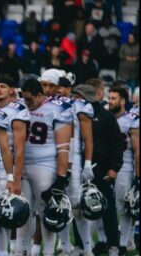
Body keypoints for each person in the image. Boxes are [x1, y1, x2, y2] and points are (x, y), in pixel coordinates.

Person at [15, 78, 73, 256]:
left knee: (47, 212)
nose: (27, 103)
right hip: (23, 165)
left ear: (40, 95)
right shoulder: (20, 106)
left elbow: (64, 148)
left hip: (45, 166)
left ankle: (47, 252)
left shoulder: (57, 108)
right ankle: (20, 251)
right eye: (24, 99)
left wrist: (62, 176)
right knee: (22, 211)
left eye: (30, 99)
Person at [72, 84, 124, 256]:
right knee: (78, 205)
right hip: (78, 166)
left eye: (78, 96)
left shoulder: (106, 116)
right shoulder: (72, 114)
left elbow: (118, 144)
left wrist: (114, 168)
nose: (75, 99)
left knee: (106, 207)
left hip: (101, 168)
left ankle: (113, 244)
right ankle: (80, 245)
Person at [0, 74, 29, 253]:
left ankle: (15, 249)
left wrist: (16, 176)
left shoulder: (18, 110)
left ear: (11, 90)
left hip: (7, 165)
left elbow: (19, 148)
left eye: (2, 86)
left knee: (6, 212)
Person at [55, 71, 95, 256]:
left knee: (78, 206)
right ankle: (65, 247)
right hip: (51, 158)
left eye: (61, 88)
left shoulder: (80, 106)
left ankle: (87, 249)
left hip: (74, 157)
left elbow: (88, 138)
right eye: (55, 88)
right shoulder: (48, 106)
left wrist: (87, 163)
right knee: (58, 204)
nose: (58, 91)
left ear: (69, 89)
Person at [108, 88, 139, 256]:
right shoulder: (106, 117)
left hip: (125, 167)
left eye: (113, 98)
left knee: (125, 207)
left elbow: (137, 150)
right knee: (103, 205)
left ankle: (123, 244)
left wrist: (138, 175)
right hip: (106, 166)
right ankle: (106, 241)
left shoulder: (132, 120)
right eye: (109, 98)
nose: (110, 101)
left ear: (122, 101)